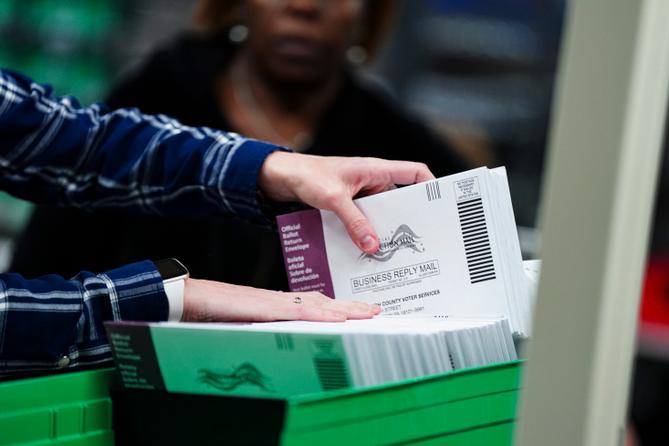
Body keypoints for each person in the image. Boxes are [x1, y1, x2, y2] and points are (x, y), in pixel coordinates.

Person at [0, 68, 435, 378]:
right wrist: (169, 299)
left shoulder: (384, 123)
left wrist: (270, 168)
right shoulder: (161, 85)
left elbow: (78, 143)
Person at [10, 0, 469, 290]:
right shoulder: (152, 103)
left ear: (370, 14)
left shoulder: (394, 147)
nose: (305, 6)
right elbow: (45, 261)